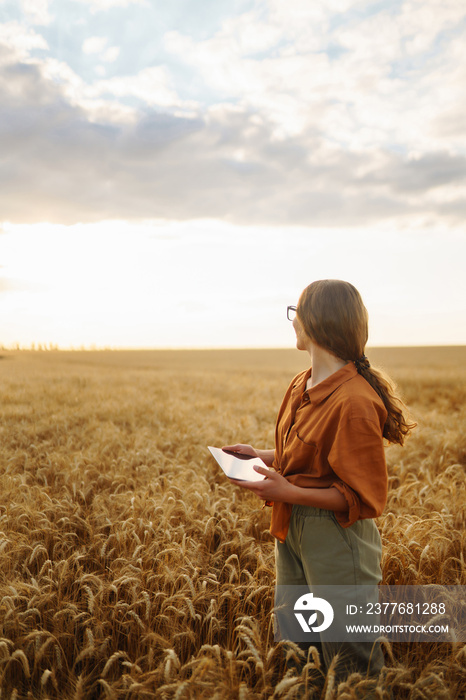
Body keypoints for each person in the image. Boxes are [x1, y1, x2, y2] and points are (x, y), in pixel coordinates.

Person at [223, 279, 415, 684]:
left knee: (350, 664)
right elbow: (308, 456)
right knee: (302, 651)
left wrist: (286, 491)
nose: (293, 323)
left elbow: (364, 498)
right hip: (292, 528)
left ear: (317, 323)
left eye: (297, 313)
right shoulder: (300, 383)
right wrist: (263, 456)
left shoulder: (355, 402)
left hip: (337, 537)